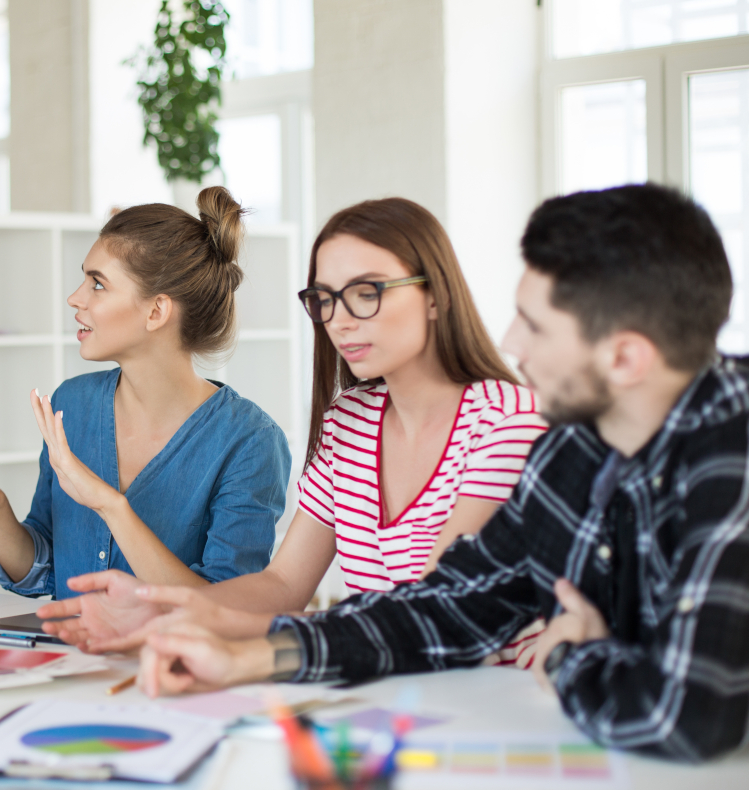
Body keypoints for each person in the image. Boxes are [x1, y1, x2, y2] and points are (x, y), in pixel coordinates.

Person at [134, 184, 749, 762]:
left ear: (625, 357)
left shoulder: (731, 455)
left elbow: (685, 716)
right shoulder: (575, 451)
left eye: (535, 326)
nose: (513, 343)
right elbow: (452, 604)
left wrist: (572, 657)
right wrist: (252, 660)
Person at [37, 198, 546, 665]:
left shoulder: (505, 421)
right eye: (325, 299)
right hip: (388, 697)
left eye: (366, 293)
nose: (340, 321)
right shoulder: (350, 422)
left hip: (492, 707)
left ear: (435, 296)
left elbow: (431, 612)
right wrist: (158, 605)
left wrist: (247, 658)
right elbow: (281, 586)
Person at [0, 188, 290, 599]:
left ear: (156, 311)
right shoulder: (71, 405)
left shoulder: (251, 443)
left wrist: (110, 506)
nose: (75, 298)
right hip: (68, 660)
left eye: (97, 284)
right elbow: (43, 572)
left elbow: (224, 608)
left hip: (168, 663)